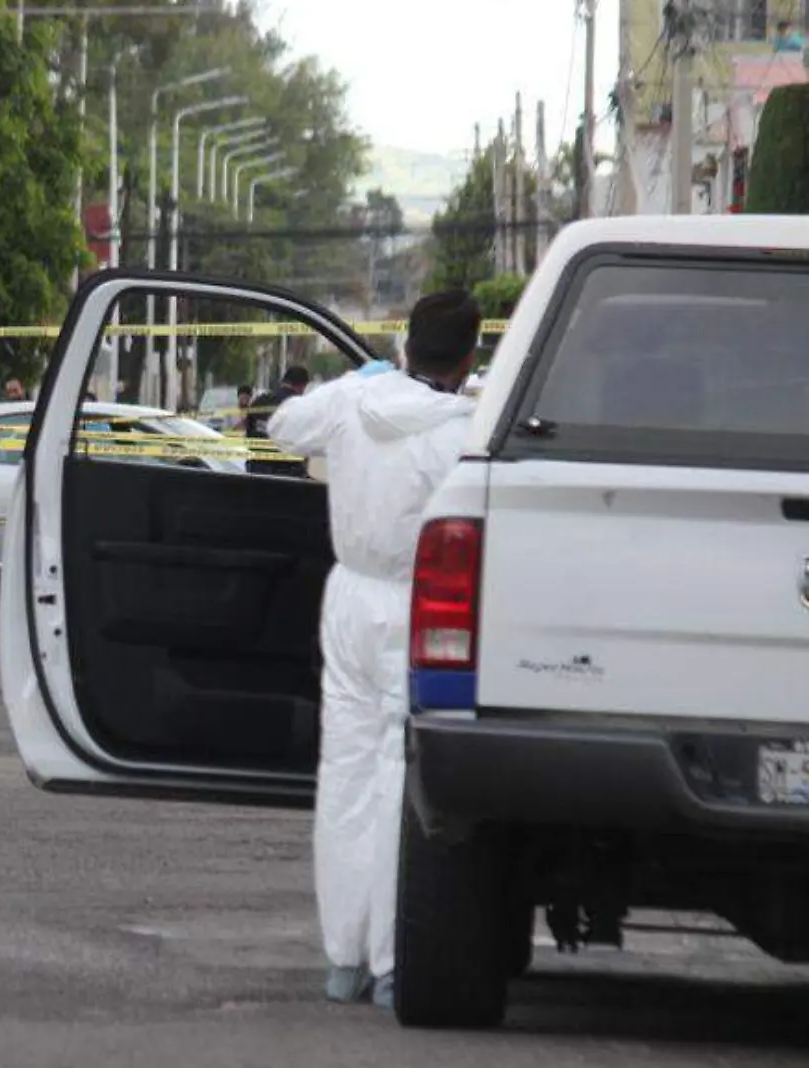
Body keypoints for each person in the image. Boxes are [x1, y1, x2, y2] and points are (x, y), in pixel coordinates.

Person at [265, 290, 483, 1011]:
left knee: (345, 779)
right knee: (400, 785)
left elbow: (281, 425)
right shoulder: (464, 427)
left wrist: (352, 382)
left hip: (347, 599)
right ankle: (393, 962)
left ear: (405, 343)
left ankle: (343, 958)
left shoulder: (353, 404)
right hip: (414, 608)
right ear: (469, 355)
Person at [245, 367, 311, 477]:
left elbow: (249, 434)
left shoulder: (259, 401)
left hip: (257, 472)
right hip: (287, 475)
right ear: (301, 386)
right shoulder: (299, 406)